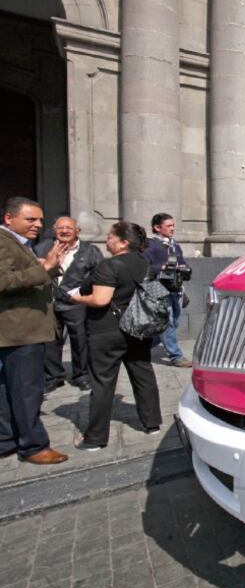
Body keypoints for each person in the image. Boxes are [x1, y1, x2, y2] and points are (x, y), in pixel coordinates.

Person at [71, 221, 162, 451]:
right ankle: (151, 424)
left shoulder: (109, 266)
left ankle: (95, 439)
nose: (106, 240)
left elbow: (100, 299)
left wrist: (76, 298)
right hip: (139, 327)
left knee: (102, 383)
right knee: (143, 374)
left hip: (107, 331)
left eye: (111, 236)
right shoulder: (145, 263)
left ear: (123, 242)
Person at [0, 197, 70, 464]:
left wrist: (48, 268)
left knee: (8, 389)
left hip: (17, 330)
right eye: (31, 219)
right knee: (28, 391)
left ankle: (6, 440)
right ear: (9, 218)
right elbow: (3, 280)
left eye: (40, 220)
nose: (38, 225)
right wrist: (45, 268)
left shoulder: (18, 243)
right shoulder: (4, 241)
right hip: (21, 329)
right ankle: (34, 446)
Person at [34, 217, 104, 393]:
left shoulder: (90, 251)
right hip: (49, 301)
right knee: (50, 340)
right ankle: (53, 376)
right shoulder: (42, 247)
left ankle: (81, 375)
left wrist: (85, 293)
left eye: (69, 228)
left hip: (77, 303)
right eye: (60, 228)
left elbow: (99, 275)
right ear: (54, 229)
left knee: (80, 339)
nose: (64, 231)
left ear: (77, 231)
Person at [143, 213, 192, 368]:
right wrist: (162, 268)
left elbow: (182, 262)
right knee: (167, 322)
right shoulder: (149, 245)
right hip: (157, 287)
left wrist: (185, 268)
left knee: (174, 322)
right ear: (157, 227)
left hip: (175, 287)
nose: (172, 228)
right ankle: (176, 356)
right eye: (169, 226)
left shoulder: (174, 245)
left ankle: (143, 345)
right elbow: (144, 266)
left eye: (173, 225)